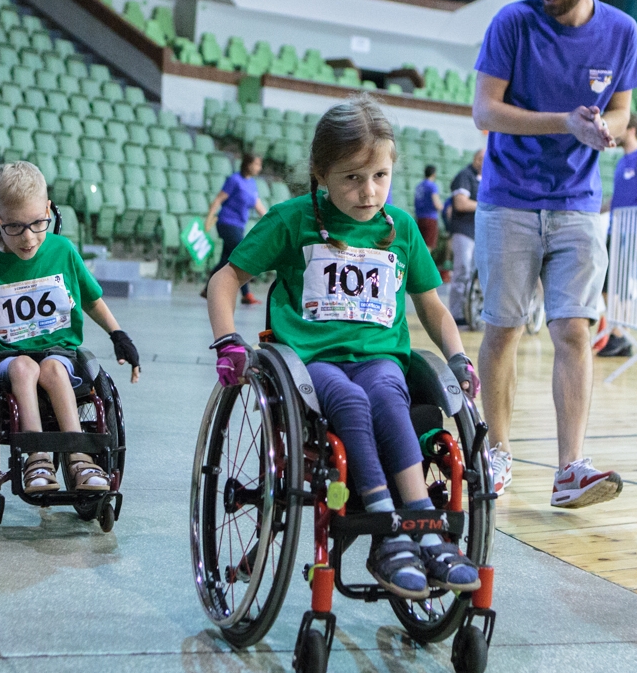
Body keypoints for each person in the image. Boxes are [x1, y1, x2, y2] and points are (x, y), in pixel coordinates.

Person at [206, 98, 481, 598]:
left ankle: (423, 522)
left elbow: (434, 306)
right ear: (320, 173)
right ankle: (385, 527)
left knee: (388, 394)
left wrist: (458, 356)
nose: (368, 191)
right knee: (350, 400)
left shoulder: (400, 228)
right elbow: (226, 279)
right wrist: (228, 340)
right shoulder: (292, 220)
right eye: (352, 177)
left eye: (380, 175)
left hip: (379, 358)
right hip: (311, 364)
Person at [471, 0, 637, 506]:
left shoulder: (621, 31)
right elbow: (486, 112)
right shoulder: (511, 23)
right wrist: (564, 121)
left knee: (575, 328)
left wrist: (604, 130)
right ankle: (496, 452)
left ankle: (571, 468)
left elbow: (622, 112)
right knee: (503, 330)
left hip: (578, 205)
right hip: (509, 201)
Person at [0, 161, 142, 494]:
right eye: (15, 227)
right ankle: (37, 458)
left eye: (38, 224)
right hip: (4, 355)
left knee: (55, 370)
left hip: (56, 349)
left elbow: (90, 299)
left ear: (47, 210)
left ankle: (79, 458)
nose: (29, 238)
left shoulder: (63, 251)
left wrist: (118, 334)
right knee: (24, 368)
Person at [596, 111, 637, 358]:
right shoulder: (621, 161)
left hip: (632, 231)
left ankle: (620, 335)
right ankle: (618, 332)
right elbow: (618, 199)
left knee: (618, 284)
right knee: (609, 284)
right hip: (615, 228)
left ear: (631, 129)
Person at [203, 152, 265, 305]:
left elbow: (258, 206)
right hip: (226, 223)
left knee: (225, 259)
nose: (259, 168)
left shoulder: (252, 184)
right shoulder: (234, 180)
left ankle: (207, 289)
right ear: (248, 164)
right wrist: (208, 219)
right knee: (242, 254)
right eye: (257, 164)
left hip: (239, 226)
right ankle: (246, 294)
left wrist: (272, 220)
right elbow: (218, 199)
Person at [444, 148, 482, 326]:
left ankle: (470, 312)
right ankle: (457, 314)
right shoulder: (465, 176)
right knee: (463, 271)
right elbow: (460, 203)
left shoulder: (482, 179)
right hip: (463, 231)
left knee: (475, 274)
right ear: (477, 160)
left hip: (477, 233)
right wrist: (485, 204)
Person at [413, 164, 443, 247]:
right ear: (434, 174)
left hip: (420, 218)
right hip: (430, 218)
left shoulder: (419, 186)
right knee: (428, 246)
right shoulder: (432, 186)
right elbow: (436, 203)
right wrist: (441, 207)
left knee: (420, 245)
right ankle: (424, 260)